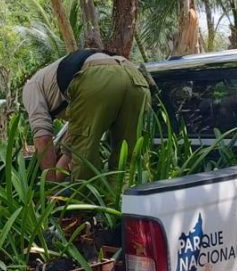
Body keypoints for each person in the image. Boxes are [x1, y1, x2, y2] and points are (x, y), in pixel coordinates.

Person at [22, 49, 151, 181]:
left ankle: (82, 201)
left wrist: (48, 192)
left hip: (99, 77)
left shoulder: (30, 87)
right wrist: (56, 186)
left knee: (83, 161)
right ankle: (120, 199)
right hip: (135, 76)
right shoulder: (63, 90)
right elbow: (70, 150)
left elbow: (43, 139)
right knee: (126, 161)